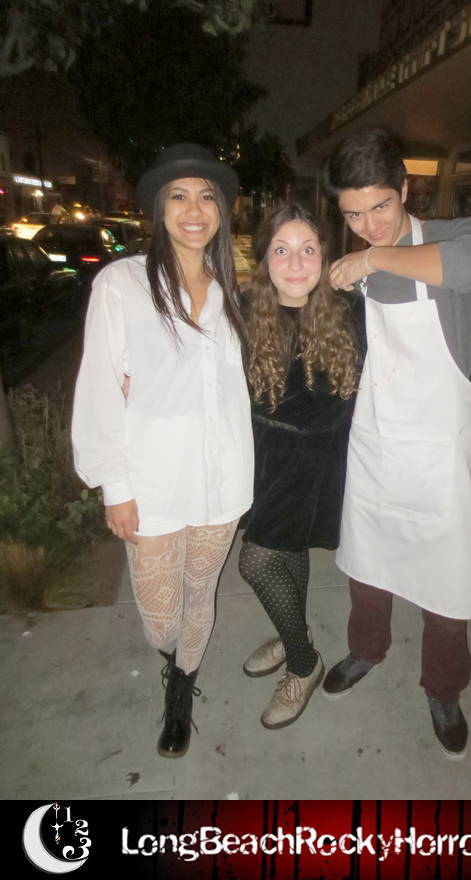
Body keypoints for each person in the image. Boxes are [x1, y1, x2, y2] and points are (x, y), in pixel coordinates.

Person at [71, 143, 253, 758]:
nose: (194, 210)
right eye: (179, 196)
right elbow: (100, 385)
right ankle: (172, 657)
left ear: (222, 211)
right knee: (160, 616)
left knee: (201, 594)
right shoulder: (122, 284)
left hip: (222, 480)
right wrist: (114, 486)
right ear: (159, 208)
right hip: (152, 483)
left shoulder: (231, 289)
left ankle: (182, 690)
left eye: (207, 197)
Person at [323, 127, 471, 758]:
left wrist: (372, 259)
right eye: (353, 215)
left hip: (437, 446)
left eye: (380, 206)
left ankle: (444, 689)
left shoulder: (457, 235)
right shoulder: (352, 267)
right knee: (368, 560)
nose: (369, 225)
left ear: (404, 188)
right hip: (377, 437)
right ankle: (366, 650)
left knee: (447, 576)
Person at [238, 203, 363, 729]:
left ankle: (304, 663)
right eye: (281, 250)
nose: (295, 263)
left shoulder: (350, 309)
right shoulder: (245, 309)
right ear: (264, 259)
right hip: (263, 453)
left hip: (315, 459)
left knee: (256, 562)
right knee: (287, 551)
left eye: (308, 249)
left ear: (325, 256)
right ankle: (295, 636)